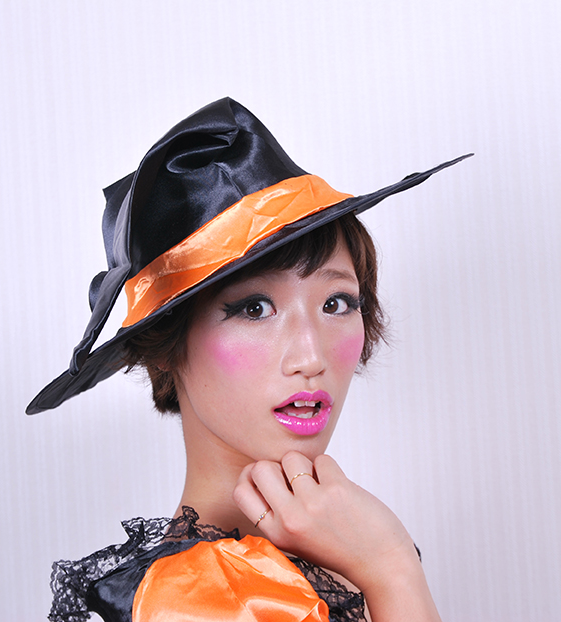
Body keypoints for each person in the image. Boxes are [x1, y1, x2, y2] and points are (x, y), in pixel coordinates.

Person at [27, 98, 470, 622]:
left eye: (336, 303)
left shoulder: (336, 552)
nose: (311, 356)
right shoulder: (200, 600)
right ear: (164, 346)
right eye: (255, 308)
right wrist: (393, 570)